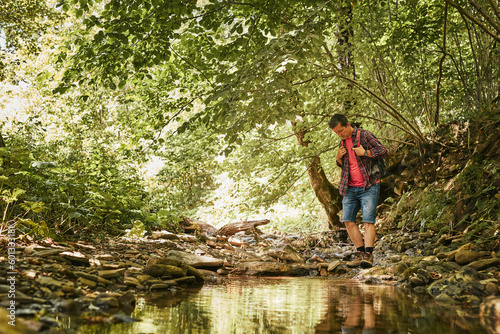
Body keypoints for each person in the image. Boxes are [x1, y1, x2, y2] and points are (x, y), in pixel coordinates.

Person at [329, 114, 388, 268]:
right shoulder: (342, 142)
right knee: (348, 220)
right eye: (337, 133)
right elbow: (346, 166)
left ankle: (368, 255)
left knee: (368, 220)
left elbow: (383, 151)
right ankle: (360, 253)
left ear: (348, 125)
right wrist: (338, 158)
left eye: (341, 130)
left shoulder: (364, 135)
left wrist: (366, 153)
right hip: (349, 187)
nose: (340, 134)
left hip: (369, 185)